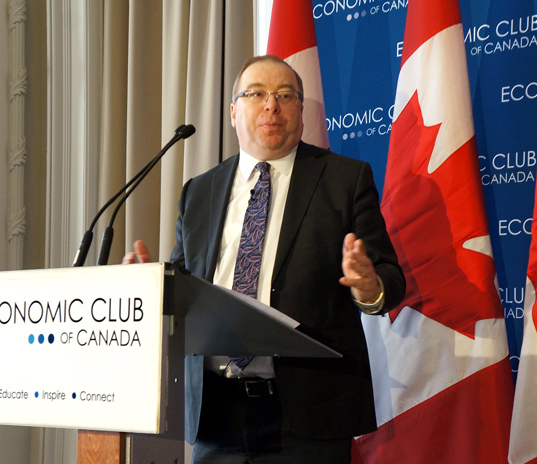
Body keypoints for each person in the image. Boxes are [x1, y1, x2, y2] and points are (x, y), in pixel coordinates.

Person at [124, 55, 405, 464]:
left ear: (301, 112)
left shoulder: (344, 180)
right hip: (214, 414)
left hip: (306, 417)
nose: (271, 105)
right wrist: (149, 289)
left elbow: (389, 279)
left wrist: (368, 285)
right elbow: (182, 290)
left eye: (285, 95)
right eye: (256, 94)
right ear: (235, 112)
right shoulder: (199, 192)